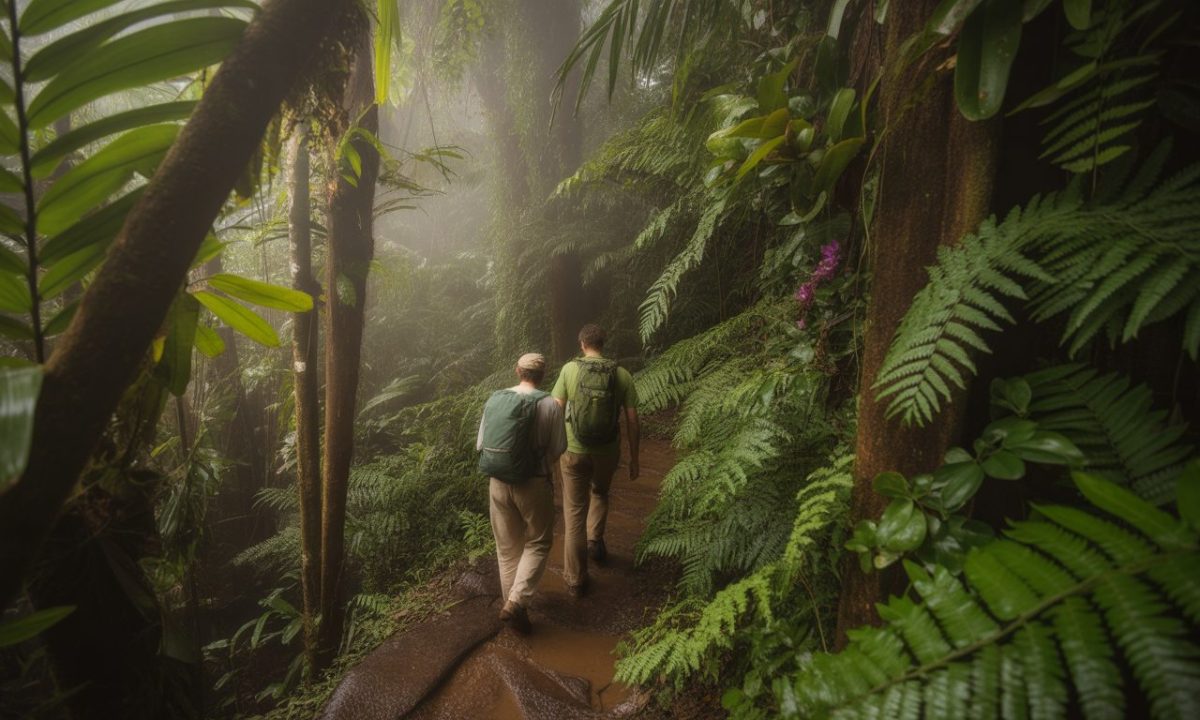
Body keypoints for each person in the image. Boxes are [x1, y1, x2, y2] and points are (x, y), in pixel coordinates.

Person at [477, 352, 566, 633]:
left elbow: (481, 444)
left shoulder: (495, 399)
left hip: (498, 483)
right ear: (543, 375)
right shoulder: (550, 404)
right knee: (538, 542)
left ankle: (517, 614)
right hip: (534, 482)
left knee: (507, 551)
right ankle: (516, 601)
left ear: (517, 371)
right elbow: (558, 448)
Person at [552, 324, 640, 597]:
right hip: (606, 451)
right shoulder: (621, 374)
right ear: (603, 344)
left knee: (574, 512)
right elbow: (633, 419)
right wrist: (635, 457)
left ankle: (576, 580)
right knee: (600, 493)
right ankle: (595, 541)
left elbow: (555, 409)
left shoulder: (569, 370)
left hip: (573, 451)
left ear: (582, 345)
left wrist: (552, 448)